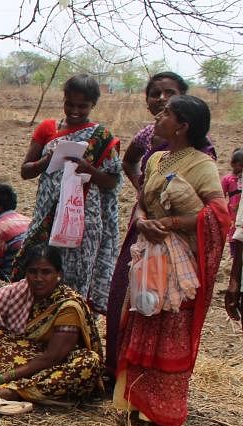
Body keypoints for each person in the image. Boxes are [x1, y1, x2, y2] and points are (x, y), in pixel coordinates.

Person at [111, 96, 231, 426]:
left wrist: (172, 225)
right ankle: (134, 401)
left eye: (166, 114)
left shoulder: (201, 165)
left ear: (182, 126)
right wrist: (146, 220)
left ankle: (161, 413)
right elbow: (143, 200)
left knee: (169, 327)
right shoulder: (157, 159)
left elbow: (217, 213)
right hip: (150, 254)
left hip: (178, 262)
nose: (159, 118)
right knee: (144, 317)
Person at [108, 72, 217, 373]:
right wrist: (144, 211)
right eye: (154, 93)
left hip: (176, 240)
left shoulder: (200, 154)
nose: (160, 100)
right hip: (143, 228)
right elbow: (132, 168)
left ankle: (154, 380)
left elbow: (211, 208)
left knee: (163, 304)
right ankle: (119, 373)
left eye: (169, 95)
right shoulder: (150, 143)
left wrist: (167, 220)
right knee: (127, 295)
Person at [14, 75, 121, 312]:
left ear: (93, 105)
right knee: (40, 271)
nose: (75, 111)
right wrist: (48, 159)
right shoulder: (48, 128)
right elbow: (25, 171)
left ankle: (72, 326)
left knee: (77, 277)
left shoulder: (101, 137)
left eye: (82, 106)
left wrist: (89, 170)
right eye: (69, 104)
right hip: (47, 219)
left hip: (83, 221)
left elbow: (112, 182)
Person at [0, 245, 104, 413]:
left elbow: (52, 358)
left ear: (59, 275)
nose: (38, 278)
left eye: (46, 272)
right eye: (33, 272)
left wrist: (1, 377)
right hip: (22, 354)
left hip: (54, 365)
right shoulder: (19, 291)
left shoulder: (68, 306)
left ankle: (15, 391)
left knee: (89, 363)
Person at [121, 72, 216, 192]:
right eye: (155, 94)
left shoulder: (196, 136)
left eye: (170, 93)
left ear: (183, 97)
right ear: (147, 102)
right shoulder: (147, 134)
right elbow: (128, 161)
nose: (162, 98)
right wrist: (142, 189)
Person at [223, 148, 243, 240]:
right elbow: (221, 196)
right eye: (240, 165)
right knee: (233, 235)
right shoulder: (227, 179)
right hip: (233, 212)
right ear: (232, 164)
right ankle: (234, 254)